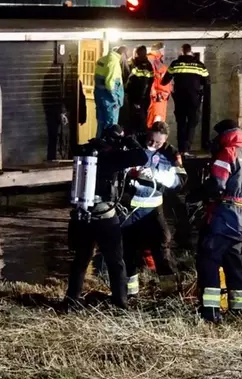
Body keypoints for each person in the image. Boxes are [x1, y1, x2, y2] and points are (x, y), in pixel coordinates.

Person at [64, 125, 147, 309]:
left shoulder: (87, 151)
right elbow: (142, 157)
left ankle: (71, 300)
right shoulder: (113, 156)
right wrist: (130, 141)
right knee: (116, 261)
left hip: (82, 214)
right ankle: (120, 302)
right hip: (104, 215)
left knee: (81, 259)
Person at [190, 119, 242, 323]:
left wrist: (197, 194)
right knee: (234, 263)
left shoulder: (227, 153)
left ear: (224, 135)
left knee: (208, 260)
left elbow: (217, 184)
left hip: (224, 216)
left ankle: (210, 312)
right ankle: (239, 311)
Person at [121, 121, 188, 296]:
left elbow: (179, 181)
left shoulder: (170, 153)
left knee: (162, 250)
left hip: (153, 211)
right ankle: (130, 294)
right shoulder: (132, 146)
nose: (152, 144)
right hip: (130, 210)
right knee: (128, 252)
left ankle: (170, 292)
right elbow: (117, 169)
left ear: (164, 141)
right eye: (151, 140)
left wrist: (157, 176)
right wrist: (132, 172)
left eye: (157, 143)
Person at [161, 44, 210, 156]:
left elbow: (165, 81)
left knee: (181, 123)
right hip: (194, 99)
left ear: (181, 51)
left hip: (180, 99)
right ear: (190, 51)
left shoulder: (175, 64)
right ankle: (187, 149)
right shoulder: (200, 65)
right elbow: (207, 82)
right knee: (192, 124)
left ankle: (181, 150)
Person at [94, 46, 127, 137]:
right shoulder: (114, 62)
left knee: (101, 124)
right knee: (111, 127)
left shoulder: (102, 59)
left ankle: (99, 143)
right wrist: (115, 98)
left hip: (100, 97)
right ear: (122, 55)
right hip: (110, 102)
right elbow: (110, 83)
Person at [125, 46, 154, 137]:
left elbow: (144, 84)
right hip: (136, 97)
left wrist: (138, 100)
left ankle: (138, 141)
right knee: (134, 120)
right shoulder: (142, 64)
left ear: (138, 53)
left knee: (138, 121)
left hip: (139, 99)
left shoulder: (144, 65)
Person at [147, 43, 172, 128]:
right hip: (158, 98)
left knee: (157, 122)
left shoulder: (155, 60)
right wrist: (154, 93)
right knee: (156, 124)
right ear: (160, 50)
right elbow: (151, 79)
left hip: (160, 97)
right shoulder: (152, 60)